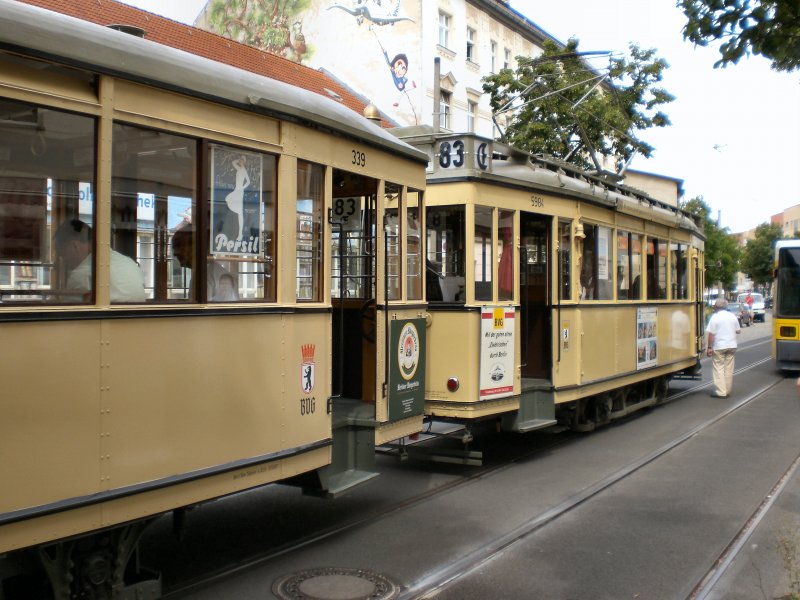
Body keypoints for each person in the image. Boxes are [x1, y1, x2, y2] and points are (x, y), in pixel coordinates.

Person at [54, 219, 145, 302]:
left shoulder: (80, 275)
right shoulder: (129, 263)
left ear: (75, 246)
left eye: (63, 255)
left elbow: (70, 316)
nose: (64, 261)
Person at [706, 298, 741, 398]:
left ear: (716, 307)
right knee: (729, 368)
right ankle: (727, 390)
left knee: (718, 368)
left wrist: (709, 347)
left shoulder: (715, 317)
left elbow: (711, 334)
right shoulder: (732, 316)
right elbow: (738, 330)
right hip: (732, 345)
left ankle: (721, 392)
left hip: (719, 346)